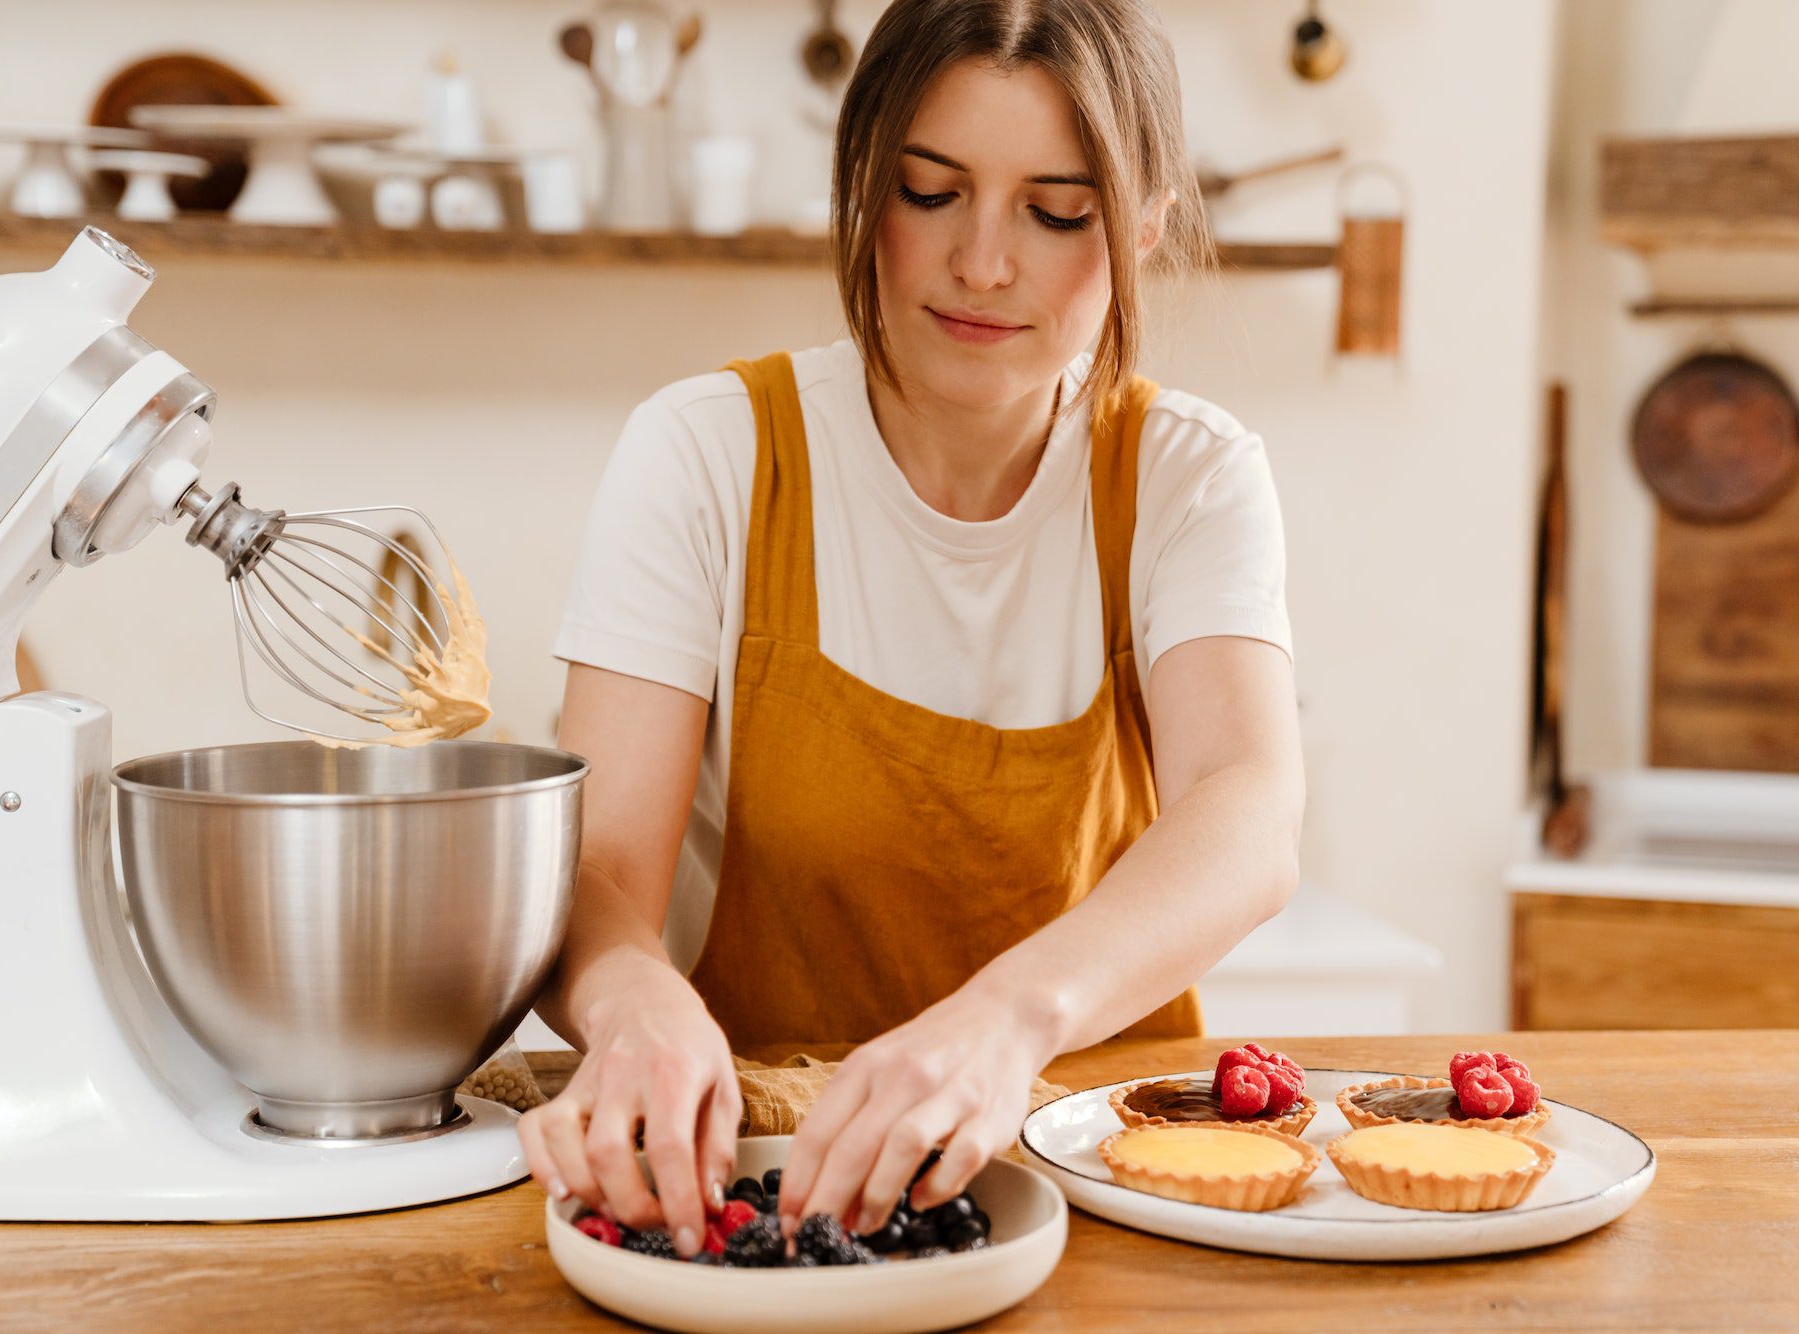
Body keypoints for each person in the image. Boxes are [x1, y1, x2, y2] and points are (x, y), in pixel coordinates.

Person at [521, 0, 1304, 1260]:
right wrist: (628, 1003)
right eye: (929, 192)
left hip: (1096, 1173)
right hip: (757, 1177)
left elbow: (1246, 807)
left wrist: (1004, 1021)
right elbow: (599, 872)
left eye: (1056, 213)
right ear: (858, 189)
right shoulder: (708, 453)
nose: (982, 261)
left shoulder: (1185, 475)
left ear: (1144, 228)